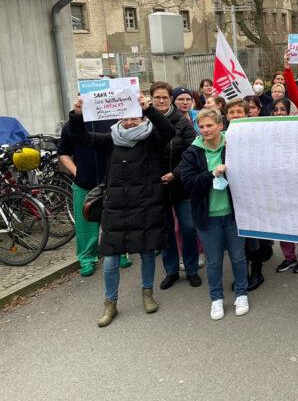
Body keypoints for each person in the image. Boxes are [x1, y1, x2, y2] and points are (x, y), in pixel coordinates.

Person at [69, 93, 174, 327]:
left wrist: (149, 109)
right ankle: (110, 303)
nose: (129, 122)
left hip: (145, 205)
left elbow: (168, 132)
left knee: (147, 252)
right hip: (116, 207)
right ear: (118, 119)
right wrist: (77, 114)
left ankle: (147, 293)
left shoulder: (151, 139)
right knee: (110, 259)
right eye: (125, 119)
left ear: (142, 119)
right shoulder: (110, 140)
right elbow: (81, 138)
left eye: (135, 118)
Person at [180, 108, 250, 320]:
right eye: (201, 126)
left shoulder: (233, 146)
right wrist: (211, 174)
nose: (205, 130)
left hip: (234, 215)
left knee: (238, 257)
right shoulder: (192, 152)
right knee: (213, 261)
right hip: (207, 217)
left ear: (221, 126)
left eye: (209, 125)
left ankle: (241, 294)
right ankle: (216, 299)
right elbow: (188, 182)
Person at [149, 82, 202, 291]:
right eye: (157, 98)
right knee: (166, 230)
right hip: (157, 186)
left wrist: (175, 173)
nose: (161, 101)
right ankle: (171, 270)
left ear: (170, 99)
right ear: (151, 99)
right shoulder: (146, 121)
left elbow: (193, 150)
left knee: (188, 228)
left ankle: (191, 270)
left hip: (181, 184)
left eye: (164, 97)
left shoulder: (181, 122)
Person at [58, 118, 120, 276]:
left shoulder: (113, 119)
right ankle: (87, 258)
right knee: (85, 222)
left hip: (112, 180)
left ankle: (121, 251)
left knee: (117, 218)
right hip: (84, 183)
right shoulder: (71, 126)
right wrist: (76, 171)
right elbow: (63, 153)